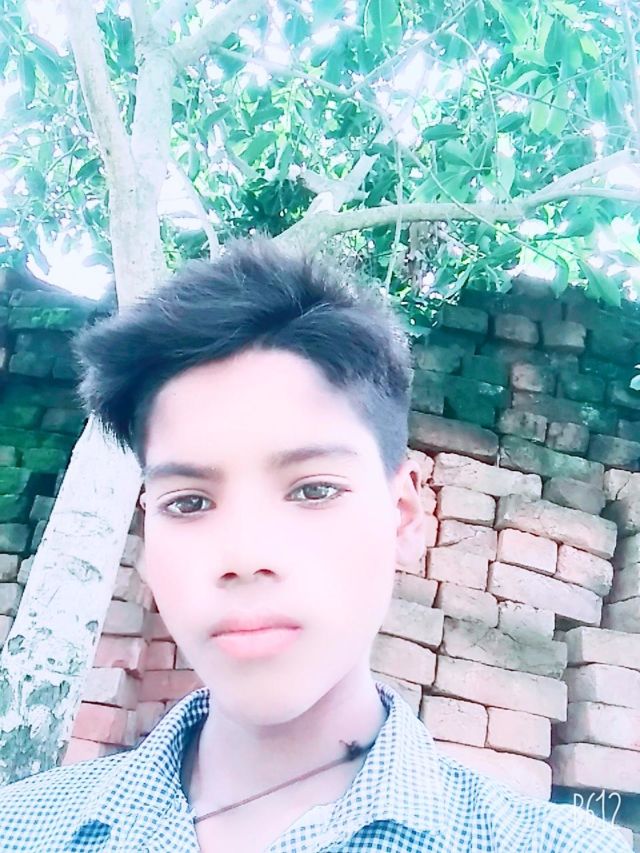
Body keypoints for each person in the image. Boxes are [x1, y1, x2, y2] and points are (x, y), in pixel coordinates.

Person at [0, 237, 631, 852]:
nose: (245, 556)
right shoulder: (23, 829)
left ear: (403, 515)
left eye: (313, 490)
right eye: (188, 503)